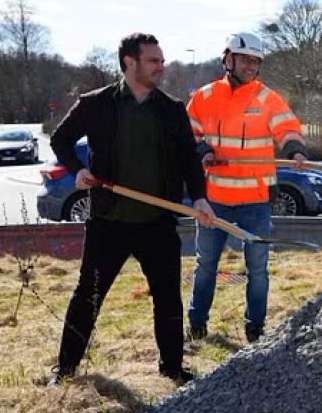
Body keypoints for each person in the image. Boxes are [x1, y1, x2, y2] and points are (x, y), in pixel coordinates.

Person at [47, 32, 214, 386]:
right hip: (108, 221)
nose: (161, 66)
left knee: (168, 299)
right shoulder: (96, 104)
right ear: (129, 62)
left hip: (157, 223)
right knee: (87, 298)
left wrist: (199, 197)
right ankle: (64, 370)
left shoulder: (170, 110)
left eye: (161, 60)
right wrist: (78, 171)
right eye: (153, 60)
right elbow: (60, 139)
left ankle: (172, 368)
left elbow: (189, 158)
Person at [185, 32, 309, 344]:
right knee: (205, 266)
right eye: (245, 60)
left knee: (258, 269)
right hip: (214, 200)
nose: (251, 66)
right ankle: (196, 325)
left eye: (255, 61)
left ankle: (255, 329)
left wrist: (295, 151)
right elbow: (188, 134)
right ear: (228, 59)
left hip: (255, 201)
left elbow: (287, 127)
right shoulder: (204, 96)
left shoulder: (267, 98)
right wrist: (202, 152)